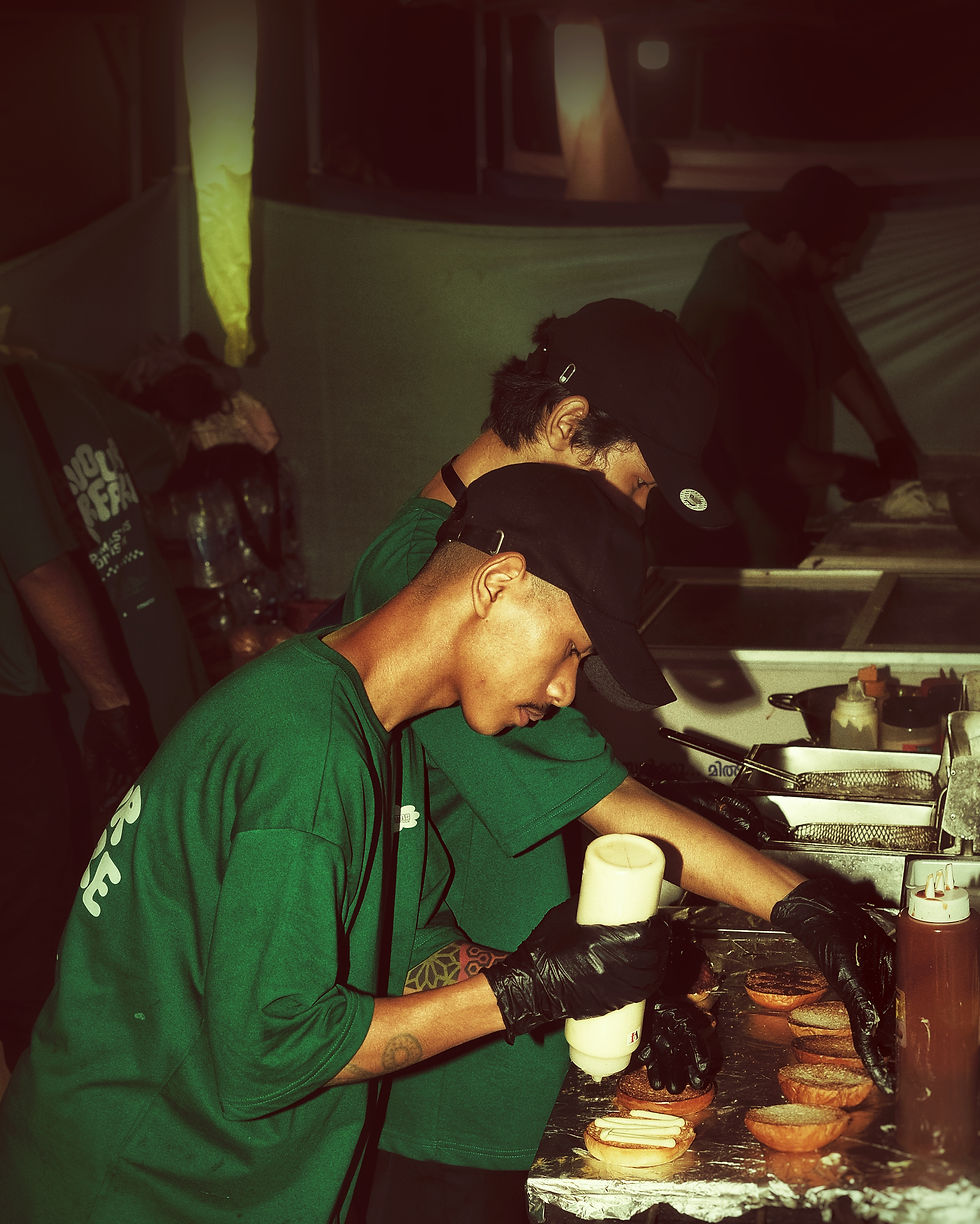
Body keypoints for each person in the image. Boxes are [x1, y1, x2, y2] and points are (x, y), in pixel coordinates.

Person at [326, 299, 896, 1224]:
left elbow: (551, 765)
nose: (636, 515)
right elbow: (590, 791)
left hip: (532, 1022)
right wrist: (806, 905)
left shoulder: (495, 550)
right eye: (634, 484)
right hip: (466, 1081)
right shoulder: (434, 572)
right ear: (564, 423)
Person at [0, 464, 675, 1224]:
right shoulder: (309, 752)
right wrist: (528, 991)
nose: (565, 692)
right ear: (498, 585)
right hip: (134, 1186)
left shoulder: (368, 720)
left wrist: (555, 976)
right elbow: (270, 1056)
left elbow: (405, 946)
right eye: (571, 651)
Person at [0, 353, 208, 1076]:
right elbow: (38, 567)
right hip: (97, 698)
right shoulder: (59, 380)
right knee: (119, 896)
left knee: (104, 899)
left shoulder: (50, 385)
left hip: (94, 698)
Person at [672, 164, 919, 567]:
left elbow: (834, 356)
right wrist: (846, 471)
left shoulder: (783, 269)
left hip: (777, 512)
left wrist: (885, 438)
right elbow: (761, 455)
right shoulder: (732, 315)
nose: (842, 271)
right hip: (734, 530)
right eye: (836, 256)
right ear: (795, 241)